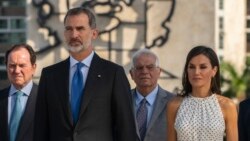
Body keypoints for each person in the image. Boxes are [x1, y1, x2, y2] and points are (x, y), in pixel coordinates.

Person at [34, 7, 137, 141]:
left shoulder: (113, 74)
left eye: (80, 29)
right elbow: (41, 128)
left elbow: (126, 128)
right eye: (69, 29)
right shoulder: (50, 75)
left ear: (94, 33)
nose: (74, 34)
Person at [167, 46, 238, 141]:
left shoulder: (227, 106)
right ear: (187, 70)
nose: (196, 72)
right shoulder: (174, 105)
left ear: (214, 70)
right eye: (191, 67)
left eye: (203, 67)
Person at [130, 48, 174, 141]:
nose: (145, 71)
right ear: (131, 74)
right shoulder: (121, 99)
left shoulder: (174, 102)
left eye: (150, 67)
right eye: (139, 68)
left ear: (159, 72)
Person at [0, 43, 38, 141]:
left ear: (33, 68)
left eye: (22, 65)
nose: (17, 71)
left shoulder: (47, 98)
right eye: (12, 65)